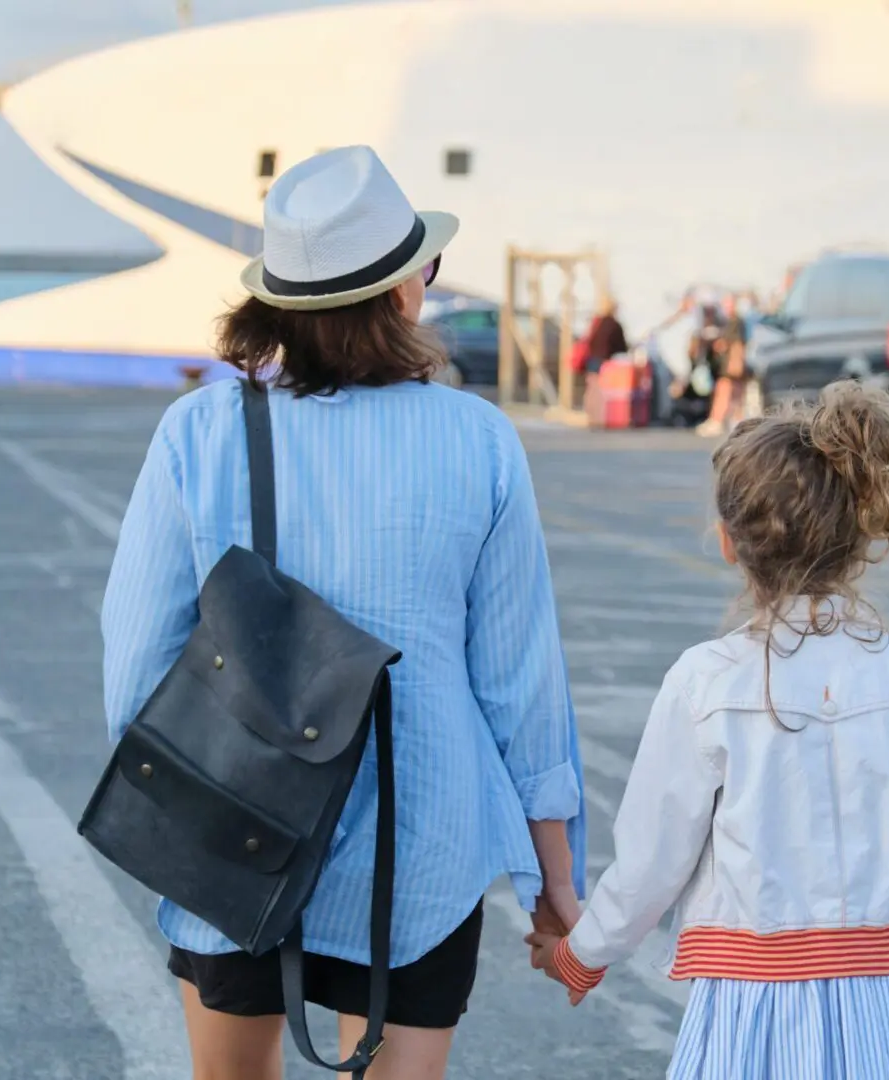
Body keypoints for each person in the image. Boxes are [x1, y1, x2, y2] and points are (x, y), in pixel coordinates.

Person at [100, 145, 586, 1080]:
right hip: (422, 843)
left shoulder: (199, 432)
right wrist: (552, 880)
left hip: (239, 820)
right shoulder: (478, 441)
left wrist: (183, 809)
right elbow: (521, 685)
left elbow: (135, 660)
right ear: (406, 290)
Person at [525, 382, 889, 1080]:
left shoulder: (707, 681)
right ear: (858, 532)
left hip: (751, 1009)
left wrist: (581, 953)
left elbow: (652, 858)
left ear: (730, 543)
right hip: (888, 998)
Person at [696, 293, 750, 437]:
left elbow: (738, 344)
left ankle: (717, 420)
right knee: (735, 393)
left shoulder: (736, 321)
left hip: (731, 363)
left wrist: (735, 362)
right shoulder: (729, 321)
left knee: (725, 390)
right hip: (730, 362)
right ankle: (735, 420)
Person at [582, 297, 628, 375]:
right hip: (607, 364)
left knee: (593, 384)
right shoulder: (615, 325)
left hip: (592, 362)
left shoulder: (596, 323)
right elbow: (622, 348)